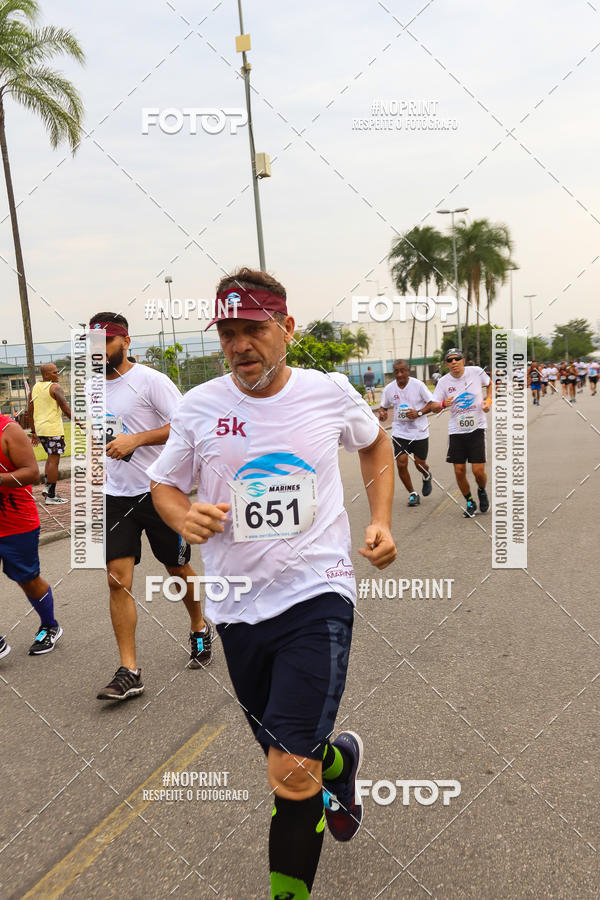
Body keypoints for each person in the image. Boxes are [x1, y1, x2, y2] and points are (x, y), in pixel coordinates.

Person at [148, 268, 397, 900]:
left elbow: (375, 445)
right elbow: (164, 483)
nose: (239, 346)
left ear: (286, 329)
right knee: (289, 753)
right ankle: (338, 761)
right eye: (227, 333)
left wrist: (382, 521)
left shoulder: (329, 391)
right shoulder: (200, 406)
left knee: (286, 772)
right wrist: (183, 515)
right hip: (236, 606)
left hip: (318, 592)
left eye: (252, 329)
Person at [88, 313, 213, 702]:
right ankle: (130, 670)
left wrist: (137, 440)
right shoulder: (91, 389)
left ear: (125, 341)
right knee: (116, 579)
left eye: (106, 341)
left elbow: (185, 424)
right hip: (115, 495)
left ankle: (198, 625)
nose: (99, 349)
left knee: (176, 568)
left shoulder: (150, 381)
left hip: (159, 491)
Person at [0, 414, 63, 658]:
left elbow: (31, 473)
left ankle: (50, 625)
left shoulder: (8, 430)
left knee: (27, 578)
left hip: (16, 522)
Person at [431, 348, 492, 518]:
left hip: (477, 427)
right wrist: (443, 403)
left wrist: (488, 400)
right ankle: (470, 501)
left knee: (478, 471)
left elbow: (490, 383)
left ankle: (481, 490)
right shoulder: (443, 382)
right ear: (446, 364)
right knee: (459, 470)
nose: (454, 362)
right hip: (456, 430)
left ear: (463, 360)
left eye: (457, 358)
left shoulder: (476, 372)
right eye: (450, 360)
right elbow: (434, 406)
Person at [377, 359, 435, 507]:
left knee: (419, 463)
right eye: (397, 371)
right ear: (394, 373)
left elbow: (432, 403)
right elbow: (383, 407)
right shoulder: (389, 389)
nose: (400, 374)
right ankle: (412, 494)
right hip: (400, 432)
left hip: (419, 431)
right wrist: (382, 413)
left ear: (408, 371)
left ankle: (426, 475)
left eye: (403, 370)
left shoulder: (418, 385)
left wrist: (419, 413)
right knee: (401, 463)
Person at [29, 363, 71, 504]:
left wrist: (33, 431)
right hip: (53, 430)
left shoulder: (34, 388)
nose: (57, 374)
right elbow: (65, 408)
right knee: (54, 460)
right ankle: (51, 495)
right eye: (55, 372)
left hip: (41, 430)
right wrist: (80, 423)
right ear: (46, 375)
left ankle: (48, 489)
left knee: (50, 458)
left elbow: (30, 410)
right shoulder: (55, 388)